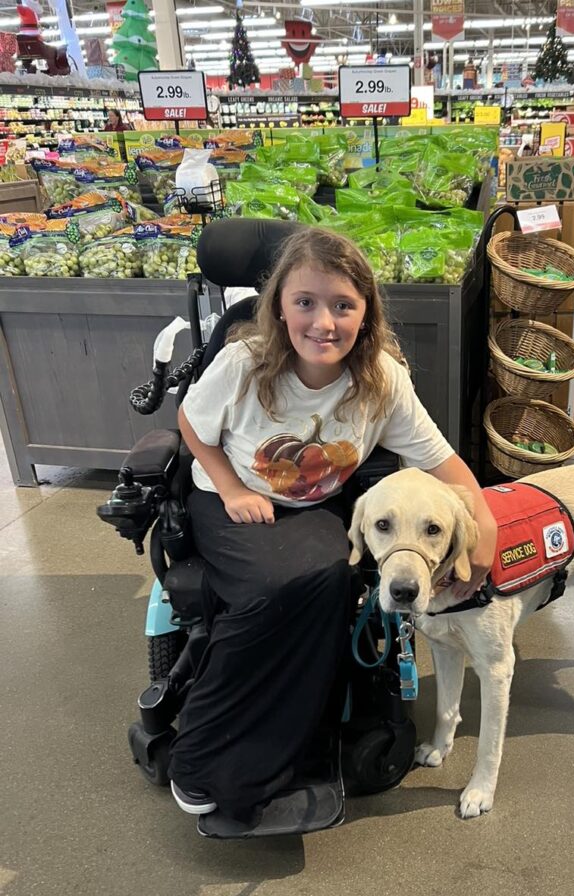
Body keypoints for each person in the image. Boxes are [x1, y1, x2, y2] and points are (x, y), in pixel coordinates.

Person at [168, 227, 498, 825]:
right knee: (270, 592)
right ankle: (198, 753)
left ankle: (291, 752)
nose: (324, 322)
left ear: (366, 313)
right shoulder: (243, 363)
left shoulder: (381, 380)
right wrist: (233, 488)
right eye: (306, 302)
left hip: (314, 508)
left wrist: (487, 533)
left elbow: (445, 464)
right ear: (279, 306)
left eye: (343, 305)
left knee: (332, 582)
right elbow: (191, 424)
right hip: (228, 499)